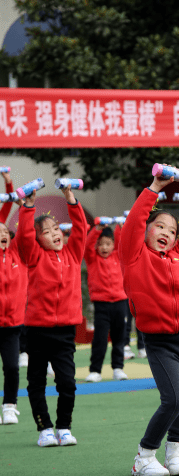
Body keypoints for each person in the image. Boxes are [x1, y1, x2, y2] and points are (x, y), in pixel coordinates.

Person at [118, 168, 179, 476]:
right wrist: (154, 187)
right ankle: (144, 456)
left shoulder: (178, 256)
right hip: (158, 340)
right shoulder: (133, 255)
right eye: (159, 226)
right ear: (145, 230)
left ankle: (175, 453)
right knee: (171, 399)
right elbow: (132, 224)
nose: (167, 233)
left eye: (172, 230)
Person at [16, 184, 87, 448]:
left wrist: (70, 198)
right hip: (37, 330)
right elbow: (24, 236)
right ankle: (44, 427)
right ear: (38, 239)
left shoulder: (72, 253)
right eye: (45, 232)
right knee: (36, 381)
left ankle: (64, 427)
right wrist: (28, 206)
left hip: (65, 331)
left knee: (67, 382)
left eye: (56, 229)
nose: (53, 234)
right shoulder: (34, 256)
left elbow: (81, 229)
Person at [84, 224, 128, 382]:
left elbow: (123, 242)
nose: (104, 247)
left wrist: (120, 227)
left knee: (119, 337)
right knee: (100, 338)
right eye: (100, 243)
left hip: (120, 302)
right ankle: (95, 370)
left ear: (113, 244)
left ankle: (118, 368)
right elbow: (88, 244)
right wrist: (97, 229)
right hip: (101, 304)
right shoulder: (92, 258)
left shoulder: (118, 256)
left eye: (108, 244)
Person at [0, 220, 26, 425]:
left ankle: (9, 406)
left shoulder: (18, 254)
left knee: (11, 367)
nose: (3, 233)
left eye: (5, 231)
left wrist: (25, 204)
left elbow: (25, 229)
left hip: (12, 325)